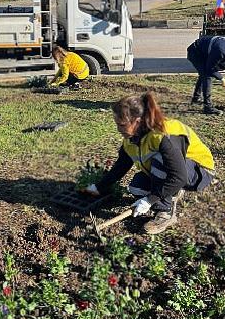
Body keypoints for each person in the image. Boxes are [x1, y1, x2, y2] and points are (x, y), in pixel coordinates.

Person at [83, 92, 215, 235]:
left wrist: (149, 200)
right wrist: (98, 187)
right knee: (136, 186)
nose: (118, 129)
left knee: (160, 162)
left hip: (199, 172)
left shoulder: (164, 135)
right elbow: (120, 167)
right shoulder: (131, 140)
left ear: (137, 122)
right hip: (172, 172)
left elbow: (179, 176)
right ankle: (171, 192)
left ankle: (165, 213)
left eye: (122, 125)